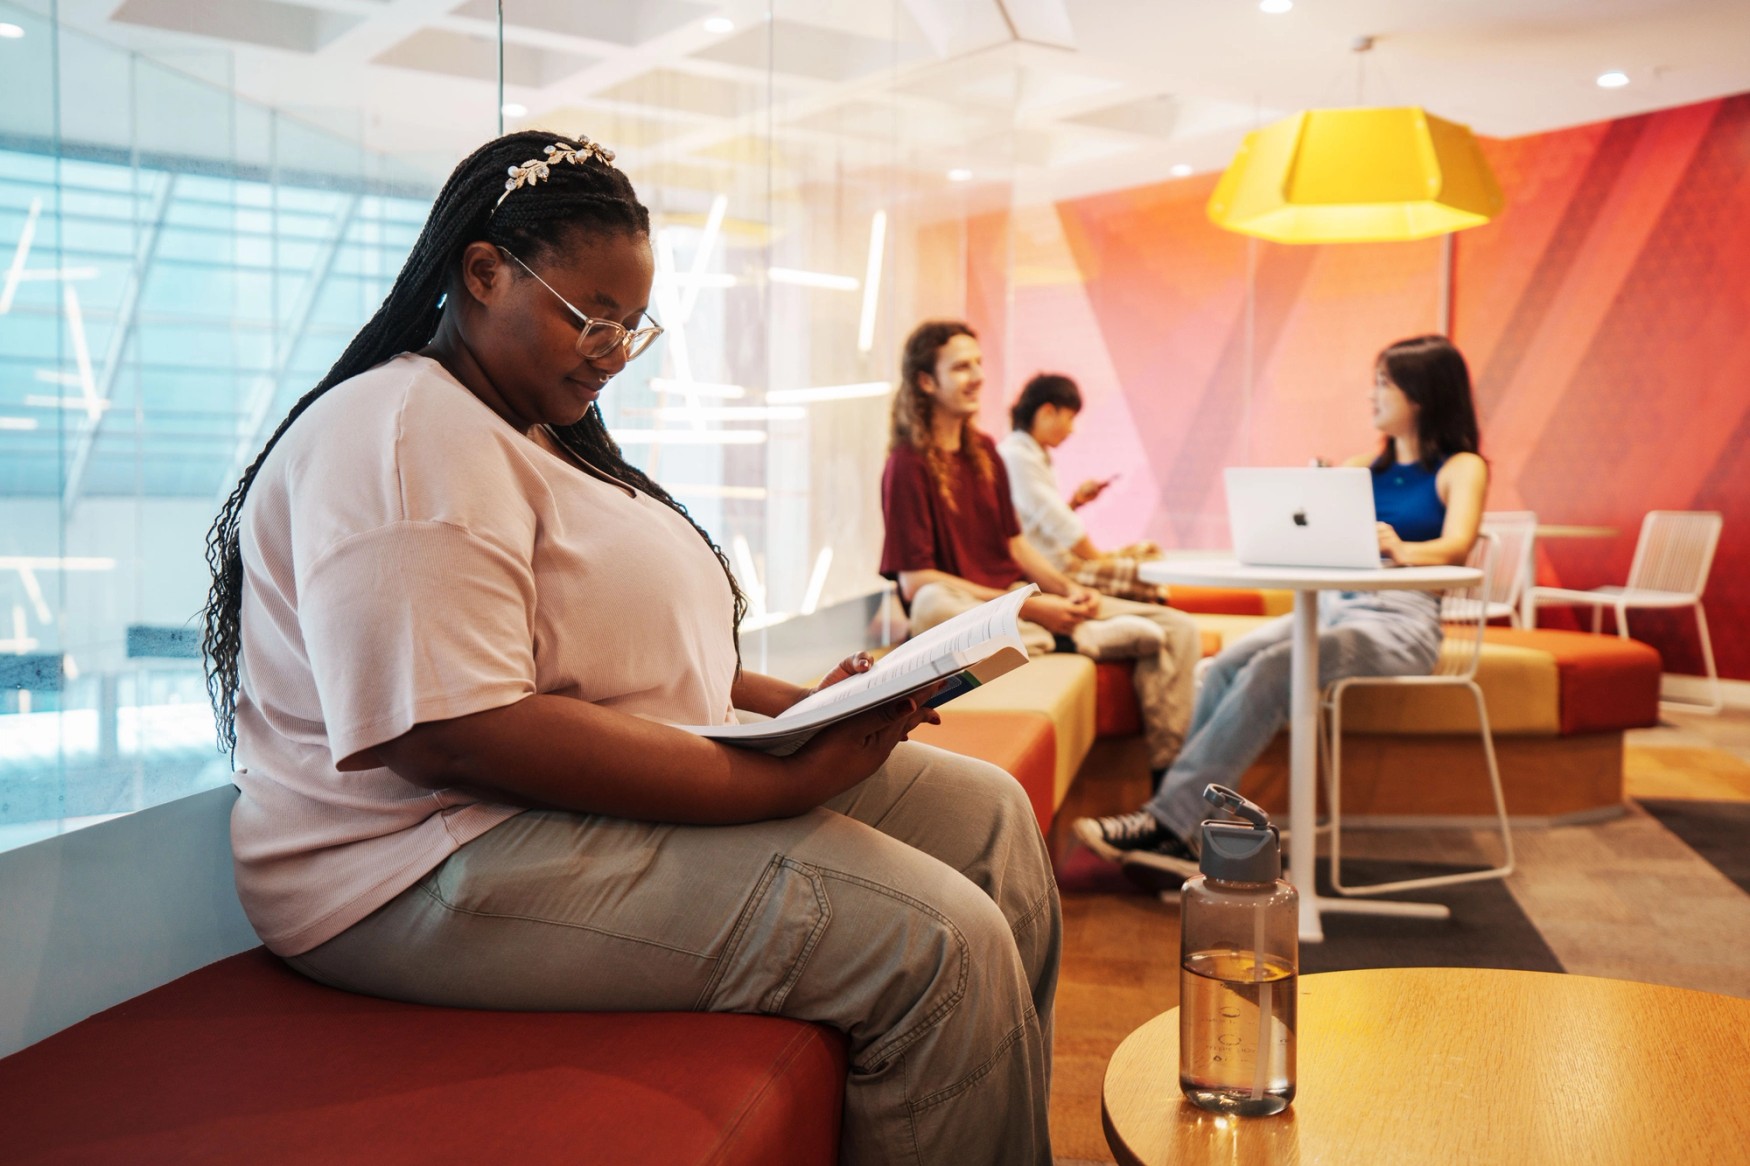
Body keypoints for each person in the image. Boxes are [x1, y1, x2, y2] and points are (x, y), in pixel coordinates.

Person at [200, 131, 1060, 1166]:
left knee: (987, 816)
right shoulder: (400, 436)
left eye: (631, 326)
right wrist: (777, 784)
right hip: (420, 860)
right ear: (482, 273)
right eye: (590, 320)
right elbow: (456, 733)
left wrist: (802, 713)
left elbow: (629, 654)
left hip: (532, 803)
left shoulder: (529, 431)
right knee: (938, 943)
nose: (611, 350)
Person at [1074, 334, 1489, 878]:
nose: (1373, 395)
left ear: (1424, 393)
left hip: (1402, 620)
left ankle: (1169, 825)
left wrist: (1401, 548)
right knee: (1221, 665)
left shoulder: (1462, 467)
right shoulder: (1364, 466)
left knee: (1274, 668)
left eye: (1385, 383)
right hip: (1336, 607)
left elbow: (1458, 544)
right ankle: (1185, 828)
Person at [879, 321, 1202, 779]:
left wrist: (1068, 592)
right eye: (960, 366)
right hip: (971, 611)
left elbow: (1016, 545)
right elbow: (916, 582)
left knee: (1178, 628)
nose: (976, 375)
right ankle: (1067, 639)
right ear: (927, 382)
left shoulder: (987, 452)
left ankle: (1170, 787)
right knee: (931, 605)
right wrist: (1031, 607)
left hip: (1012, 601)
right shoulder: (906, 466)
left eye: (978, 363)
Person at [996, 372, 1171, 605]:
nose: (1071, 429)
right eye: (1069, 418)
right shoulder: (1017, 456)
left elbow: (1040, 521)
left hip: (1061, 558)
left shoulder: (1033, 455)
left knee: (1150, 551)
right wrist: (1099, 560)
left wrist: (1076, 502)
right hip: (1054, 568)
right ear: (1047, 412)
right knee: (1149, 573)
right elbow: (1061, 525)